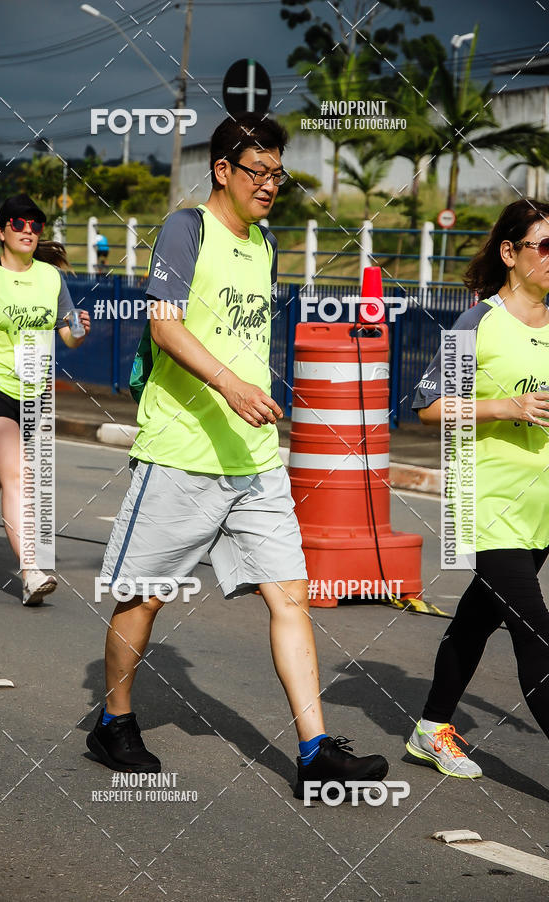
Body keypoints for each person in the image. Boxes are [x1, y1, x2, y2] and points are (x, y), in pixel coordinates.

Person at [86, 113, 389, 797]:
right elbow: (164, 325)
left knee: (290, 594)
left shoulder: (266, 244)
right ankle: (113, 721)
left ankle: (315, 752)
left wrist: (248, 396)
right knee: (146, 596)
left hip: (253, 456)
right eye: (259, 171)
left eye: (279, 174)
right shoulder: (185, 228)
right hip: (182, 450)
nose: (270, 185)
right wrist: (228, 384)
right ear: (222, 170)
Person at [407, 198, 549, 778]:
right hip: (486, 504)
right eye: (546, 246)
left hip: (540, 509)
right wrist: (506, 406)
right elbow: (429, 407)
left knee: (477, 618)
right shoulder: (479, 323)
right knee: (536, 634)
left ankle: (430, 727)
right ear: (510, 253)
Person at [0, 193, 91, 604]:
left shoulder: (51, 278)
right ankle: (31, 571)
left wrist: (79, 329)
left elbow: (68, 336)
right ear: (1, 231)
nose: (28, 230)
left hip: (30, 398)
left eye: (35, 225)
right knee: (18, 472)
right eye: (18, 223)